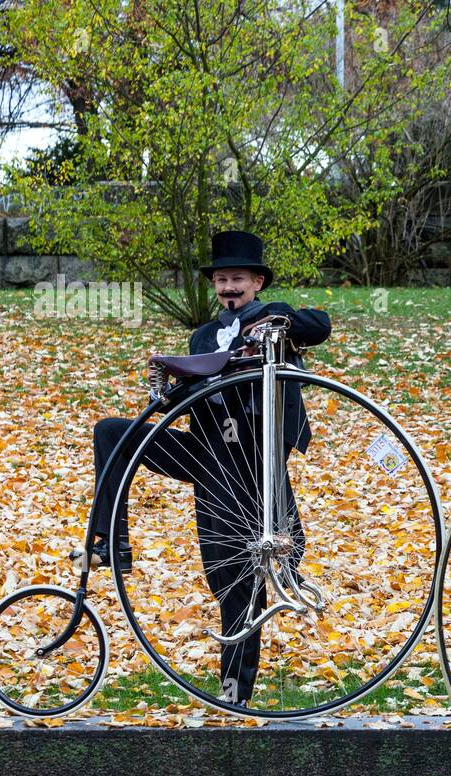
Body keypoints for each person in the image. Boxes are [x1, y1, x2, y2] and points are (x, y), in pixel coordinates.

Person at [88, 230, 332, 704]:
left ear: (257, 283)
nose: (229, 288)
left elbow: (319, 325)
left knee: (235, 574)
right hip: (206, 453)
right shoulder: (202, 336)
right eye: (221, 280)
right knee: (111, 433)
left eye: (238, 278)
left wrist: (277, 322)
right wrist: (167, 385)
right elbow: (190, 395)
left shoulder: (275, 321)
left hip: (250, 460)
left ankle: (235, 688)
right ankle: (112, 543)